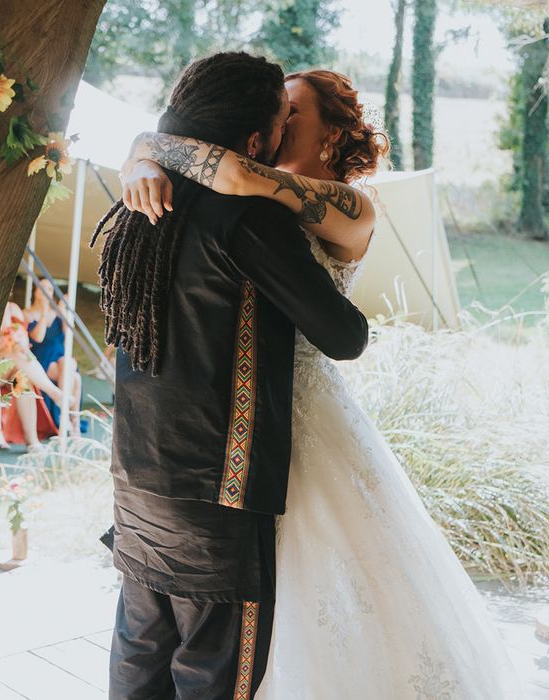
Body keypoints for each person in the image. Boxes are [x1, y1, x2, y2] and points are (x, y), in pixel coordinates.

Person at [120, 69, 523, 697]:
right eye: (276, 110)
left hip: (300, 414)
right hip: (239, 429)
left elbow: (236, 175)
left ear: (332, 135)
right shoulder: (239, 195)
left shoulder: (349, 205)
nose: (279, 121)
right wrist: (141, 157)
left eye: (293, 110)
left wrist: (147, 147)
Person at [92, 53, 368, 699]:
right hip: (217, 487)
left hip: (137, 473)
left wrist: (144, 153)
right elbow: (344, 336)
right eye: (281, 115)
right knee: (212, 676)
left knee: (139, 660)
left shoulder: (141, 196)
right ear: (255, 139)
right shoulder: (250, 215)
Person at [0, 300, 61, 449]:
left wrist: (18, 344)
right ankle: (54, 392)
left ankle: (32, 440)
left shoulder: (13, 307)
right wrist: (7, 345)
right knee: (14, 353)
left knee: (22, 381)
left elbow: (23, 338)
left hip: (11, 366)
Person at [25, 279, 82, 436]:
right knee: (75, 377)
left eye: (49, 289)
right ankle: (69, 418)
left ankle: (69, 419)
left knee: (70, 365)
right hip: (42, 358)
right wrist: (43, 313)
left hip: (60, 358)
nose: (46, 292)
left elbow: (69, 335)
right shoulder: (28, 313)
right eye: (42, 288)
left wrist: (63, 310)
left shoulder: (57, 313)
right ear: (35, 292)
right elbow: (38, 338)